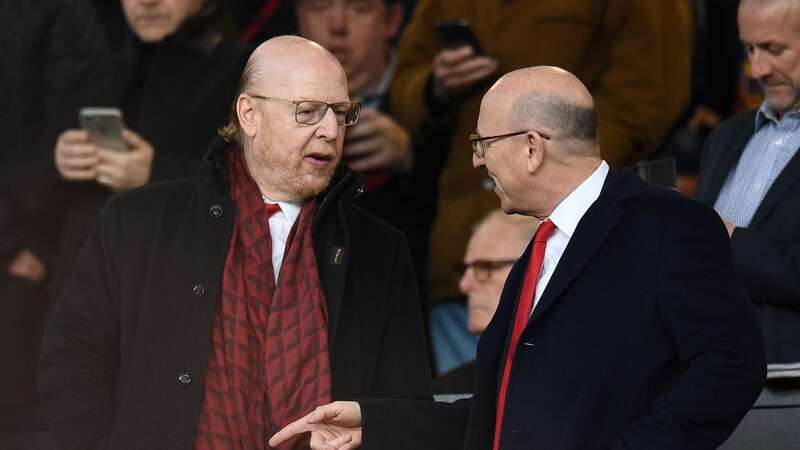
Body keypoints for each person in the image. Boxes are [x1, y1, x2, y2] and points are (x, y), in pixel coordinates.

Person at [270, 66, 766, 450]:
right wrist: (373, 423)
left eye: (483, 143)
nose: (476, 160)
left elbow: (732, 366)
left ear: (531, 147)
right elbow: (503, 414)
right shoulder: (539, 249)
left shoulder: (668, 225)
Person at [37, 36, 431, 450]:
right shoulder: (138, 222)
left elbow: (404, 407)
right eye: (308, 112)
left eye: (341, 113)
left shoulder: (380, 250)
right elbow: (70, 360)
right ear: (250, 113)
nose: (331, 131)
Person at [390, 0, 694, 305]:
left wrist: (557, 174)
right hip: (460, 255)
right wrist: (434, 87)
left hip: (578, 252)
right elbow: (403, 87)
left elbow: (644, 101)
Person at [45, 0, 250, 297]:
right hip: (85, 296)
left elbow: (266, 192)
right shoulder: (101, 74)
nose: (147, 2)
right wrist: (60, 162)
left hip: (187, 296)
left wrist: (157, 174)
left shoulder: (246, 72)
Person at [294, 0, 445, 302]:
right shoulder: (268, 104)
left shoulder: (435, 98)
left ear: (392, 20)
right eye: (319, 8)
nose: (337, 25)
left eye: (359, 9)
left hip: (407, 296)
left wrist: (412, 160)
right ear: (299, 17)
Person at [697, 0, 800, 364]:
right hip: (707, 380)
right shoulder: (725, 138)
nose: (757, 69)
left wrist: (720, 237)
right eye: (749, 48)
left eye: (774, 49)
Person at [432, 210, 537, 394]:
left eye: (484, 267)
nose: (464, 285)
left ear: (540, 267)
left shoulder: (588, 374)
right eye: (464, 269)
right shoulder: (448, 393)